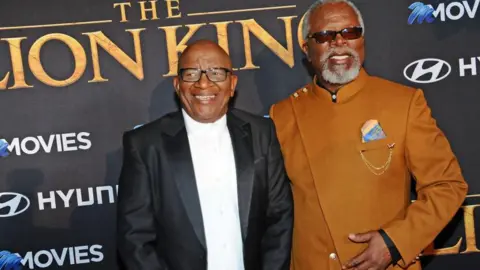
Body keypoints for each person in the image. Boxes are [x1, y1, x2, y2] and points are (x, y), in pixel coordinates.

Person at [269, 1, 468, 270]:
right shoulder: (283, 114)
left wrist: (395, 242)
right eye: (326, 36)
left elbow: (447, 186)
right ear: (307, 49)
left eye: (350, 32)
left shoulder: (404, 103)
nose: (339, 43)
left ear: (362, 40)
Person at [117, 39, 293, 270]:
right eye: (191, 74)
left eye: (216, 73)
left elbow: (279, 219)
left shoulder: (262, 133)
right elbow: (134, 238)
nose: (203, 84)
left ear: (232, 84)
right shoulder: (145, 145)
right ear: (178, 85)